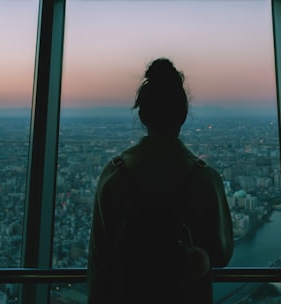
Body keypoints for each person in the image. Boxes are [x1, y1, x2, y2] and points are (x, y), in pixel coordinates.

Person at [87, 58, 233, 304]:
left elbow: (99, 262)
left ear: (142, 115)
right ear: (183, 114)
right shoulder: (205, 179)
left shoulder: (114, 175)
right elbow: (222, 254)